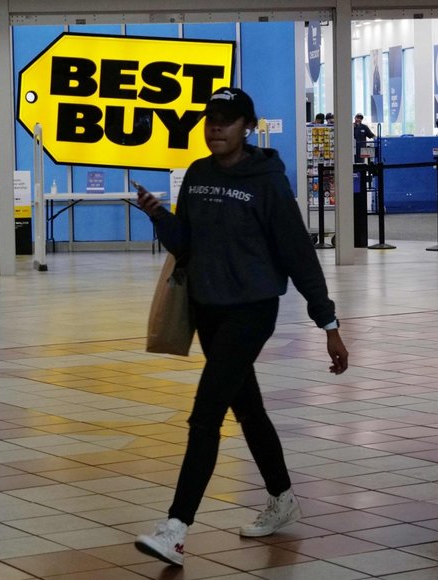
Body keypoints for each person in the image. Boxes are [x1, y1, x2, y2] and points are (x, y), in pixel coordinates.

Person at [133, 87, 349, 567]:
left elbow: (297, 253)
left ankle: (176, 529)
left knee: (204, 416)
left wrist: (327, 322)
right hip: (207, 309)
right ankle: (282, 497)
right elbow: (186, 245)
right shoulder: (199, 174)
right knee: (248, 409)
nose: (216, 128)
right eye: (211, 119)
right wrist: (159, 215)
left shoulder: (267, 181)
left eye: (228, 121)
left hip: (251, 312)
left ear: (247, 126)